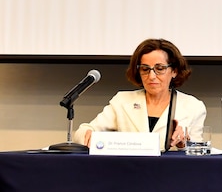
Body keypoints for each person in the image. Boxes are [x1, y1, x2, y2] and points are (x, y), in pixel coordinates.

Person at [74, 38, 206, 151]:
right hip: (129, 171)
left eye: (159, 69)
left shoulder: (193, 106)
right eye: (145, 69)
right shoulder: (122, 101)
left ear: (174, 71)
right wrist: (88, 135)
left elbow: (198, 152)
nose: (152, 76)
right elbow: (82, 132)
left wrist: (183, 144)